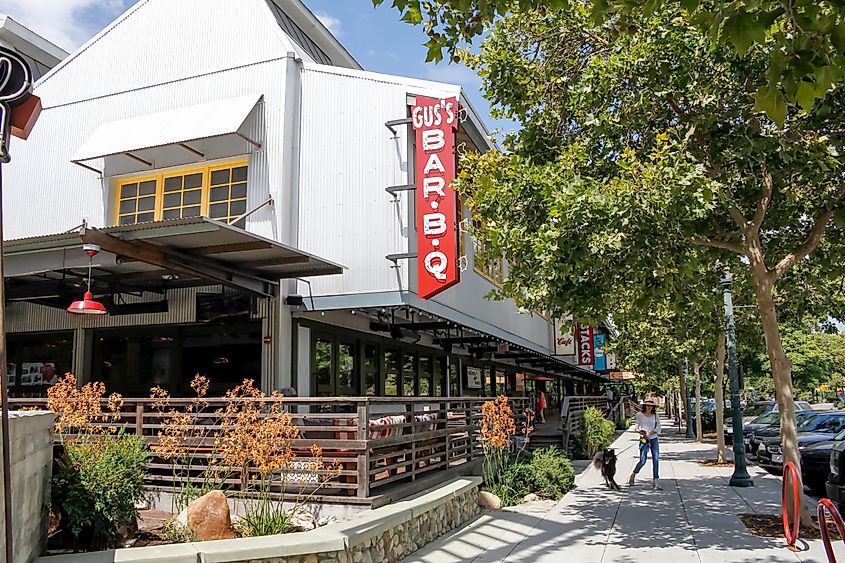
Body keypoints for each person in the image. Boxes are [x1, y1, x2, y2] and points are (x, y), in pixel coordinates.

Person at [628, 398, 662, 490]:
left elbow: (658, 427)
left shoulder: (655, 415)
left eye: (651, 406)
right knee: (642, 460)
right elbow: (636, 426)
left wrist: (650, 433)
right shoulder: (639, 415)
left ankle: (656, 481)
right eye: (648, 405)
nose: (649, 407)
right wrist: (640, 432)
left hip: (653, 439)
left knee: (656, 459)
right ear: (645, 406)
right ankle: (634, 474)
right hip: (644, 440)